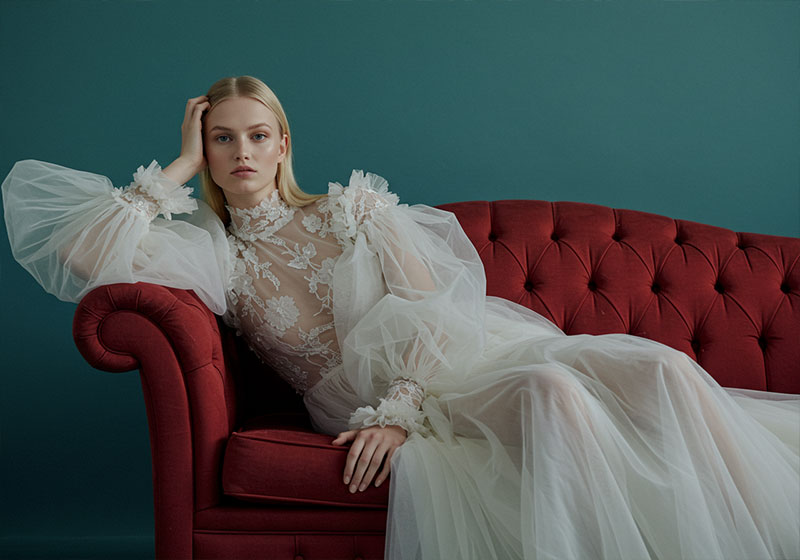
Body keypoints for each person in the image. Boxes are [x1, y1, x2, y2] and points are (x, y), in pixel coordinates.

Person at [3, 75, 799, 560]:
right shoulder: (211, 253)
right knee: (557, 401)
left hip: (462, 364)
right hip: (362, 397)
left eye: (257, 135)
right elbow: (81, 253)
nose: (241, 151)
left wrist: (403, 411)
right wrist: (171, 164)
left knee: (658, 367)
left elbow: (433, 310)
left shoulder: (358, 208)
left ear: (283, 145)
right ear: (205, 152)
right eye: (220, 139)